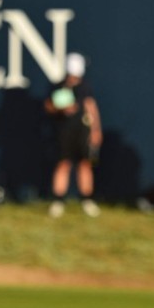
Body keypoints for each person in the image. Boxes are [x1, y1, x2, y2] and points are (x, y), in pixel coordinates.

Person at [44, 52, 102, 218]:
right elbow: (48, 106)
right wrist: (60, 109)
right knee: (63, 164)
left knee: (85, 164)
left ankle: (87, 200)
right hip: (64, 133)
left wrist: (96, 130)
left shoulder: (85, 87)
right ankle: (58, 201)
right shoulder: (57, 87)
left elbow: (91, 108)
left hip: (82, 133)